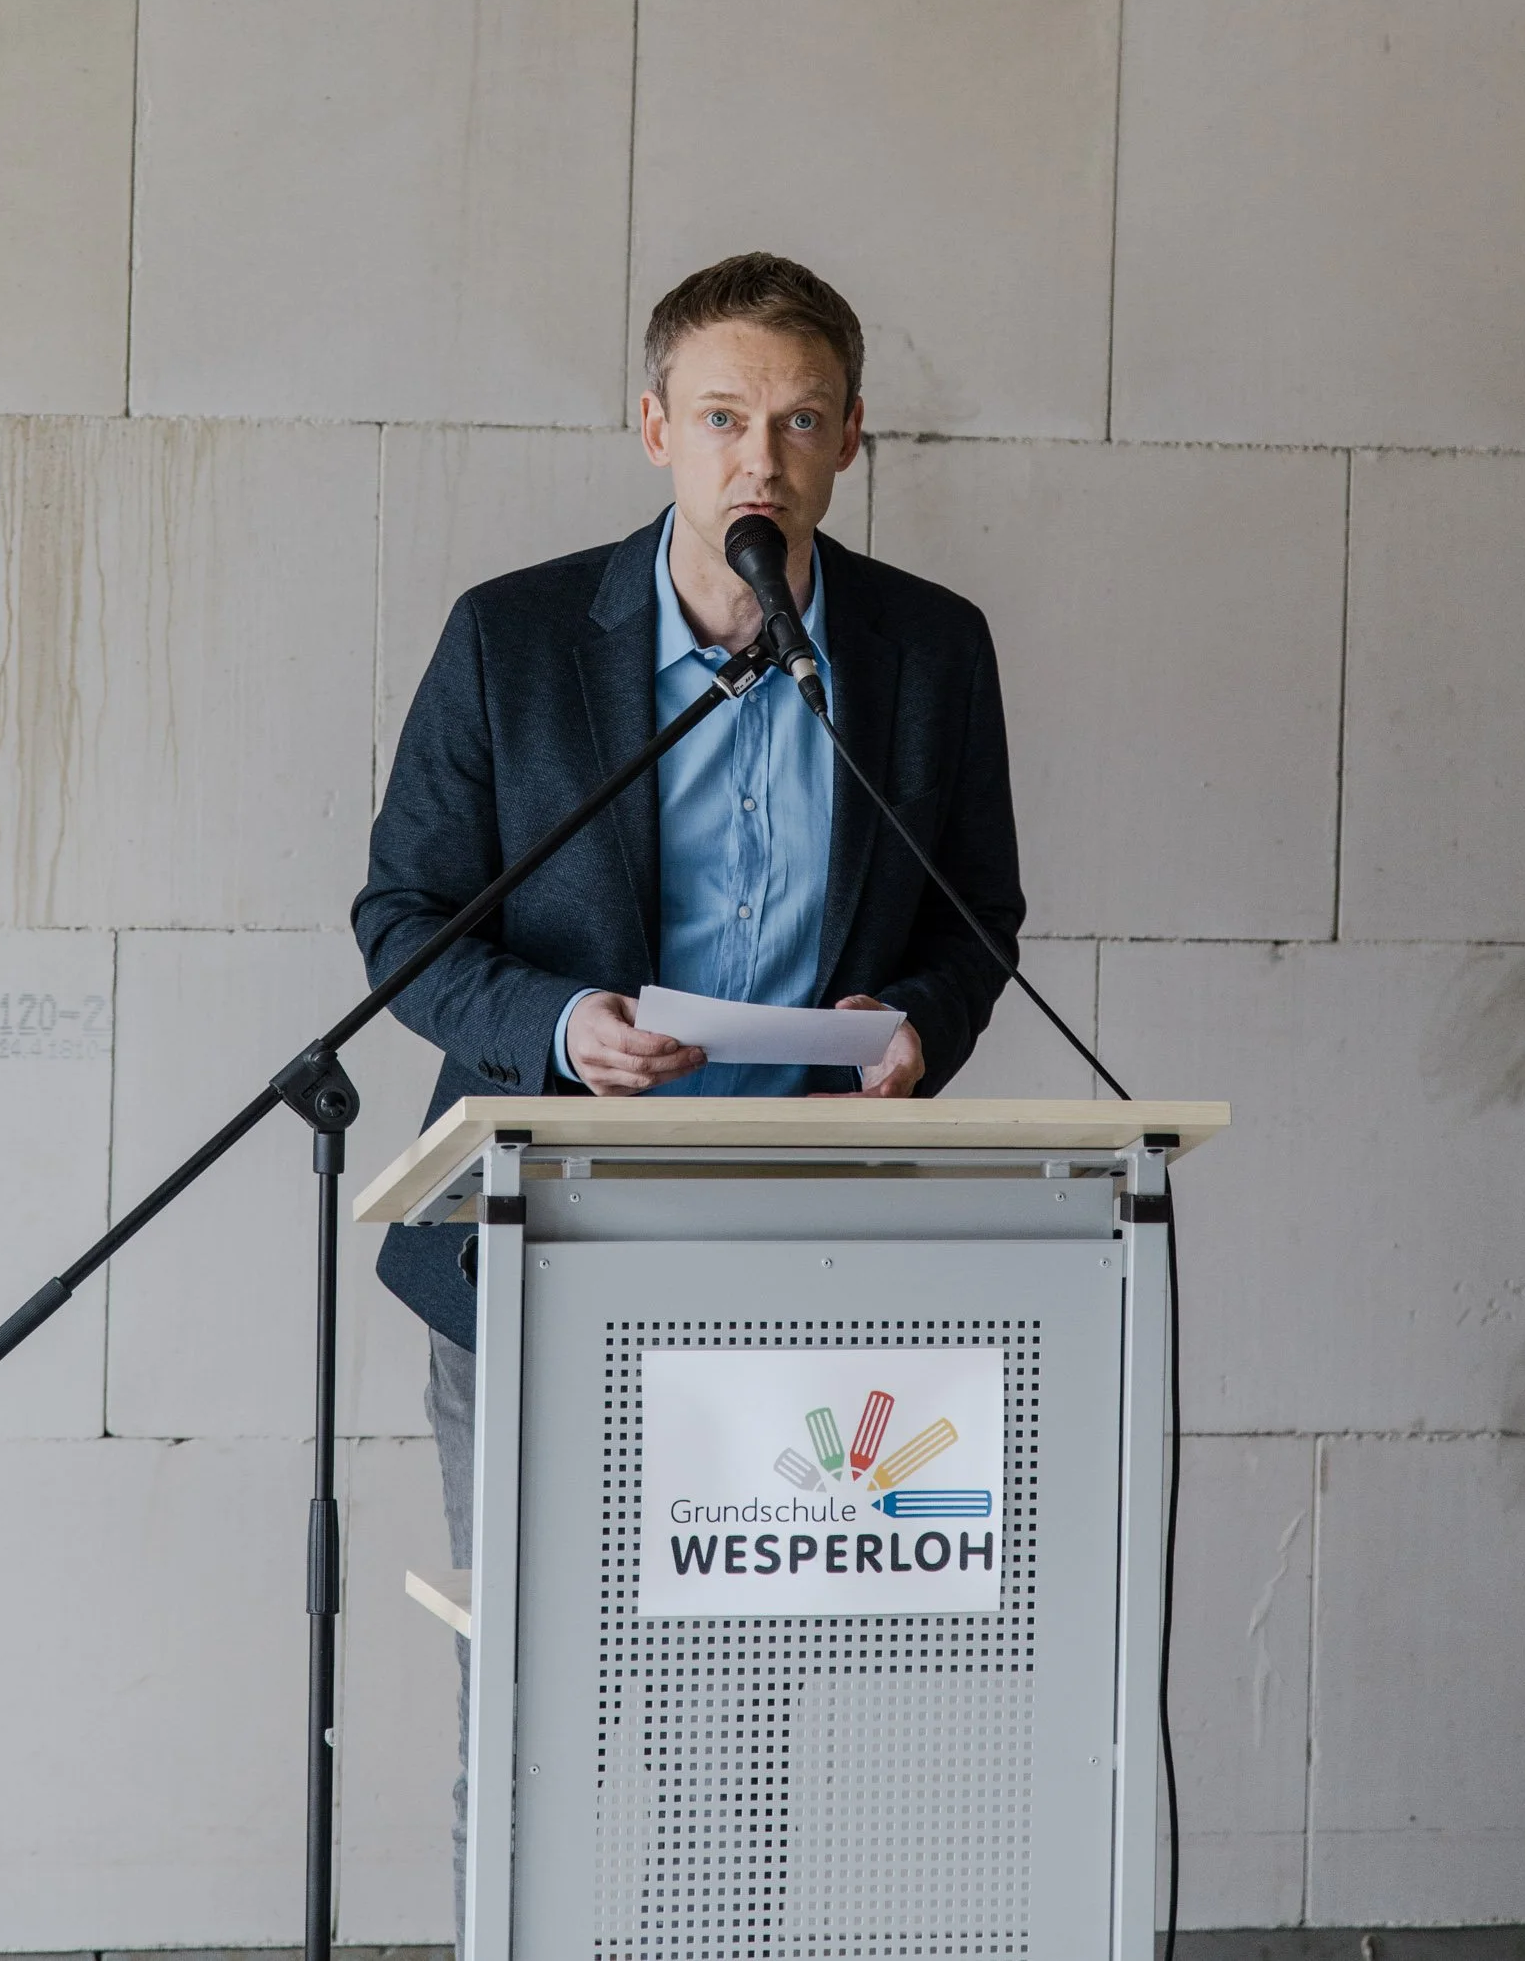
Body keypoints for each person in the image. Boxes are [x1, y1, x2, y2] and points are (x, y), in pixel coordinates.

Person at [351, 250, 1025, 1938]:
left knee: (732, 1705)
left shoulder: (929, 651)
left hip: (784, 1254)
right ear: (653, 427)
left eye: (799, 421)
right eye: (723, 417)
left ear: (851, 439)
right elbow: (403, 922)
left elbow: (972, 920)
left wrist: (916, 1027)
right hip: (532, 1242)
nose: (759, 459)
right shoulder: (512, 640)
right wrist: (560, 1024)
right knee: (534, 1687)